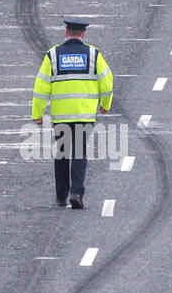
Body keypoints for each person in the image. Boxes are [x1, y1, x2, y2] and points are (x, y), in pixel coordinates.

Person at [31, 19, 113, 208]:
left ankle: (61, 196)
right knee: (79, 152)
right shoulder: (93, 54)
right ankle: (76, 192)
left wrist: (38, 113)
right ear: (83, 34)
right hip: (84, 114)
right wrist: (105, 104)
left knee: (61, 153)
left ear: (66, 32)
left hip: (61, 115)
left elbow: (41, 86)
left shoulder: (52, 55)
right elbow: (107, 82)